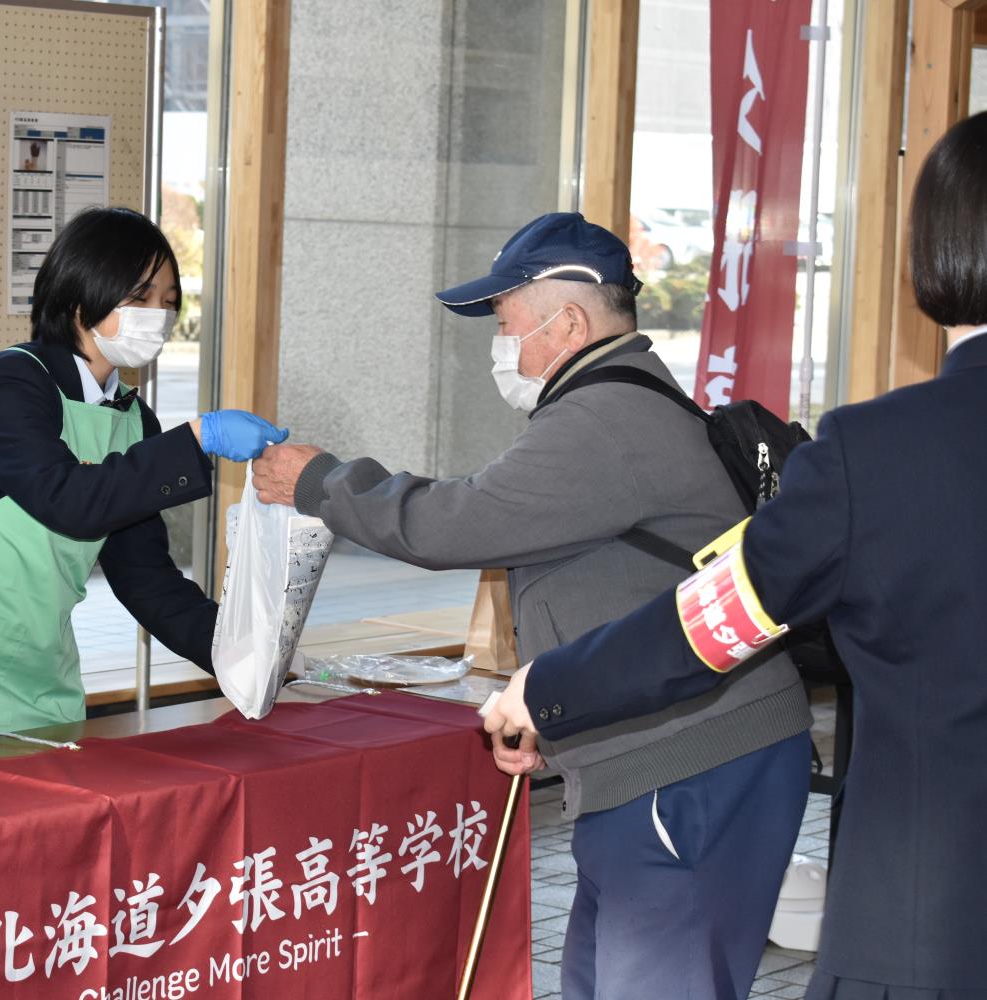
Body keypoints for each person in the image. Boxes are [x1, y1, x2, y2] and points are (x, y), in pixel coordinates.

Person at [483, 111, 987, 1000]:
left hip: (928, 934)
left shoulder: (878, 453)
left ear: (938, 250)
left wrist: (546, 687)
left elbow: (708, 625)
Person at [252, 212, 812, 999]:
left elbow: (454, 521)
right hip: (668, 754)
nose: (500, 346)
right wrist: (557, 713)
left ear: (570, 321)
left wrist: (320, 483)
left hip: (690, 766)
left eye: (507, 322)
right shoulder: (625, 401)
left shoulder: (604, 419)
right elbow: (609, 590)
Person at [0, 207, 287, 755]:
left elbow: (147, 580)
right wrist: (199, 436)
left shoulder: (134, 420)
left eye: (168, 301)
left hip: (42, 674)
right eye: (139, 296)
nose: (158, 314)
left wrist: (247, 653)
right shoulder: (14, 383)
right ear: (80, 296)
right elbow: (69, 500)